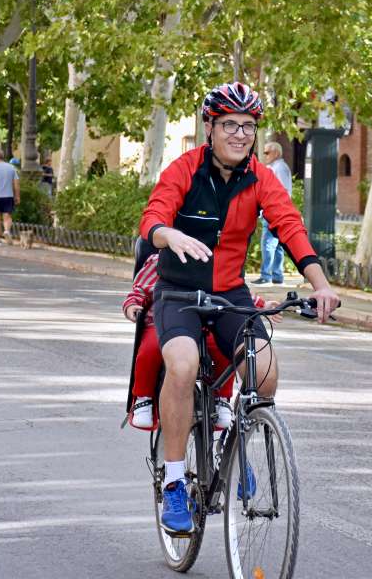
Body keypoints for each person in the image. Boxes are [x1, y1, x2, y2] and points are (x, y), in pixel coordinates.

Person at [139, 81, 339, 533]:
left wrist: (321, 284)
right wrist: (167, 235)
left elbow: (288, 226)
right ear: (210, 127)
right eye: (229, 124)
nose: (240, 134)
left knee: (265, 371)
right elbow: (153, 215)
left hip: (230, 293)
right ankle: (174, 483)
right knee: (184, 365)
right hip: (178, 294)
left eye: (248, 126)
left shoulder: (261, 178)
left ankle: (231, 445)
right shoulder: (184, 170)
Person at [124, 250, 263, 430]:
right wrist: (133, 305)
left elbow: (234, 293)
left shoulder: (215, 261)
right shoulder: (160, 261)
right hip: (163, 320)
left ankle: (222, 398)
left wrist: (260, 304)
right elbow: (140, 289)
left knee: (223, 348)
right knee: (151, 348)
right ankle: (143, 398)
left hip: (208, 322)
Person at [251, 141, 292, 285]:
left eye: (267, 152)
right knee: (277, 244)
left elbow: (282, 191)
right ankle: (276, 275)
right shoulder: (275, 167)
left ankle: (266, 275)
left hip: (273, 211)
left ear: (276, 153)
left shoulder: (279, 168)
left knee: (268, 243)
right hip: (277, 211)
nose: (265, 155)